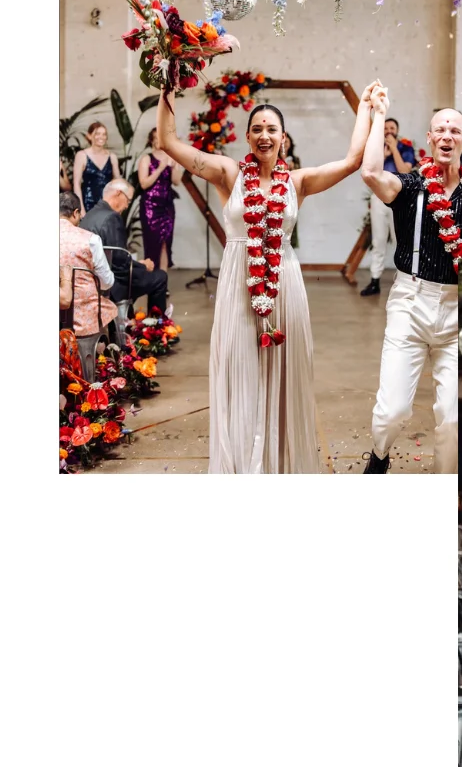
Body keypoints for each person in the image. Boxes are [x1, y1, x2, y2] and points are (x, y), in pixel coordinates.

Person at [155, 79, 379, 474]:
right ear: (247, 136)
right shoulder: (228, 173)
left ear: (283, 138)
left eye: (271, 129)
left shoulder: (298, 182)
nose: (264, 135)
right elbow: (170, 143)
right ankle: (243, 463)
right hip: (238, 282)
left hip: (284, 281)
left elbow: (351, 161)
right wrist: (168, 88)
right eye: (256, 128)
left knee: (283, 369)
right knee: (240, 367)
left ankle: (279, 463)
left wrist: (366, 109)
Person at [359, 89, 462, 474]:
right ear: (429, 139)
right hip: (410, 301)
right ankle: (379, 454)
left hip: (459, 308)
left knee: (454, 417)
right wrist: (378, 118)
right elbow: (371, 173)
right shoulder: (410, 187)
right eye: (439, 129)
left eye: (454, 131)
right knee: (393, 411)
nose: (446, 136)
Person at [80, 179, 170, 317]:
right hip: (112, 284)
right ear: (118, 193)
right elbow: (120, 263)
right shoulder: (111, 217)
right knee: (160, 277)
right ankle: (157, 329)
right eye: (128, 200)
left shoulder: (89, 215)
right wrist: (142, 265)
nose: (127, 206)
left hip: (91, 278)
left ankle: (129, 319)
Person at [359, 116, 416, 298]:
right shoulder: (375, 148)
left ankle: (404, 281)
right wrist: (382, 155)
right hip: (379, 197)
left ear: (397, 130)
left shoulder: (405, 148)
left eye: (392, 128)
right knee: (378, 240)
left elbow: (405, 171)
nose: (388, 131)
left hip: (400, 197)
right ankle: (375, 280)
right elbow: (370, 172)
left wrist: (393, 149)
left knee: (401, 239)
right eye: (385, 128)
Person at [59, 191, 117, 336]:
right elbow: (106, 282)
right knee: (109, 309)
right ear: (76, 213)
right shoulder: (90, 239)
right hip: (83, 321)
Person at [137, 127, 185, 270]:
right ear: (151, 140)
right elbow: (144, 183)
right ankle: (151, 282)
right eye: (156, 138)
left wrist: (176, 164)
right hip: (150, 207)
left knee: (166, 242)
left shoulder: (171, 158)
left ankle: (162, 283)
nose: (159, 141)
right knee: (152, 244)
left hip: (167, 206)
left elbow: (177, 181)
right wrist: (161, 167)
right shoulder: (147, 159)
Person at [73, 121, 121, 212]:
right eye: (97, 134)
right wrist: (81, 209)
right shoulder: (81, 155)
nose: (101, 137)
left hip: (107, 204)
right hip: (88, 203)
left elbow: (117, 183)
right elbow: (76, 184)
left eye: (104, 134)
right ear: (89, 136)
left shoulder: (112, 157)